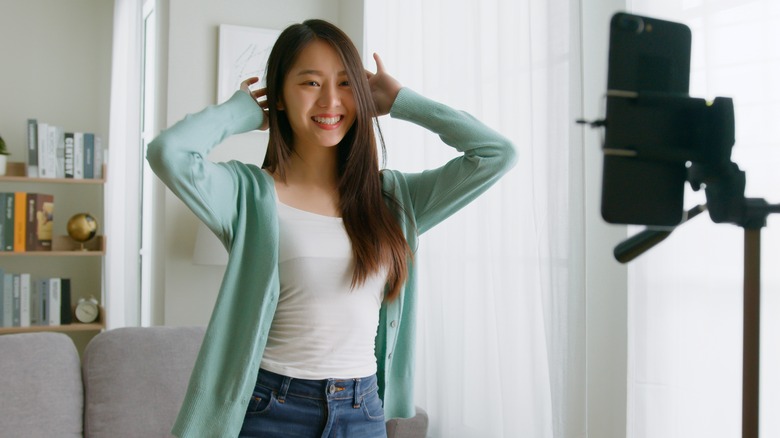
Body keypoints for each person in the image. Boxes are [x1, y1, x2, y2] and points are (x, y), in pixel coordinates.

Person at [147, 18, 516, 438]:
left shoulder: (393, 200)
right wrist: (243, 111)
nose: (330, 101)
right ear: (280, 97)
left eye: (345, 84)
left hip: (362, 411)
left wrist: (402, 101)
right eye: (310, 83)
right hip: (271, 409)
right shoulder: (246, 194)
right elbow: (168, 152)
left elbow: (496, 154)